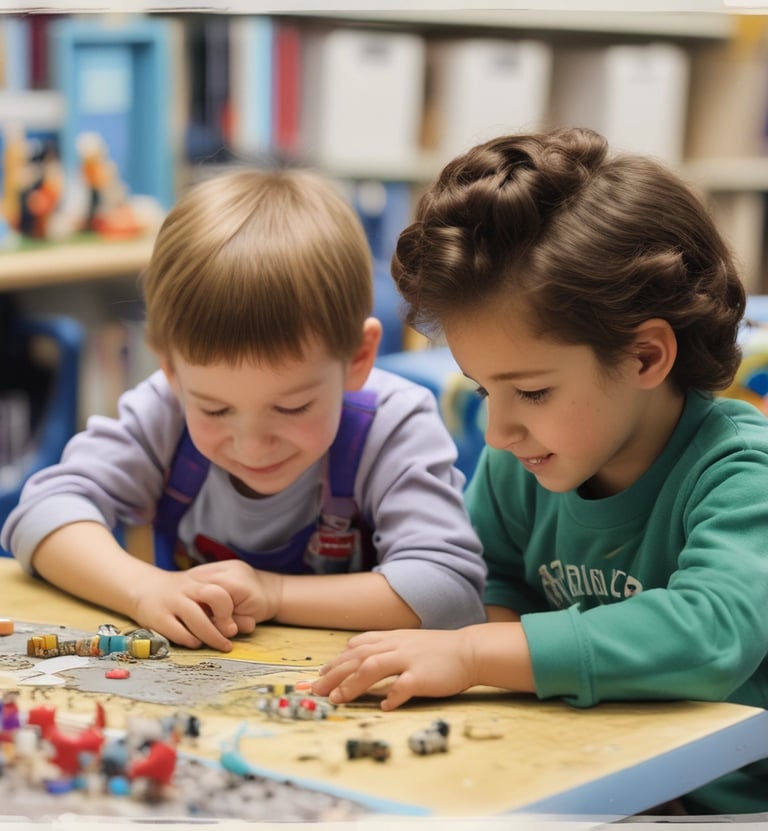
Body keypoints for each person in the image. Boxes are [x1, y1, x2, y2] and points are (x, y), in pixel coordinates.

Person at [310, 127, 768, 814]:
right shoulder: (521, 463)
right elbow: (493, 576)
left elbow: (710, 633)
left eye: (531, 392)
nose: (497, 431)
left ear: (646, 358)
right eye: (486, 390)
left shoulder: (739, 468)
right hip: (570, 775)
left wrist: (474, 655)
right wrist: (482, 644)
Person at [1, 168, 486, 653]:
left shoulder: (393, 425)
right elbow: (41, 513)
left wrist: (273, 593)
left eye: (293, 406)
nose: (252, 444)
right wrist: (143, 587)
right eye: (214, 410)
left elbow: (448, 591)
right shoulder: (165, 411)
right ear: (172, 372)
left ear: (358, 358)